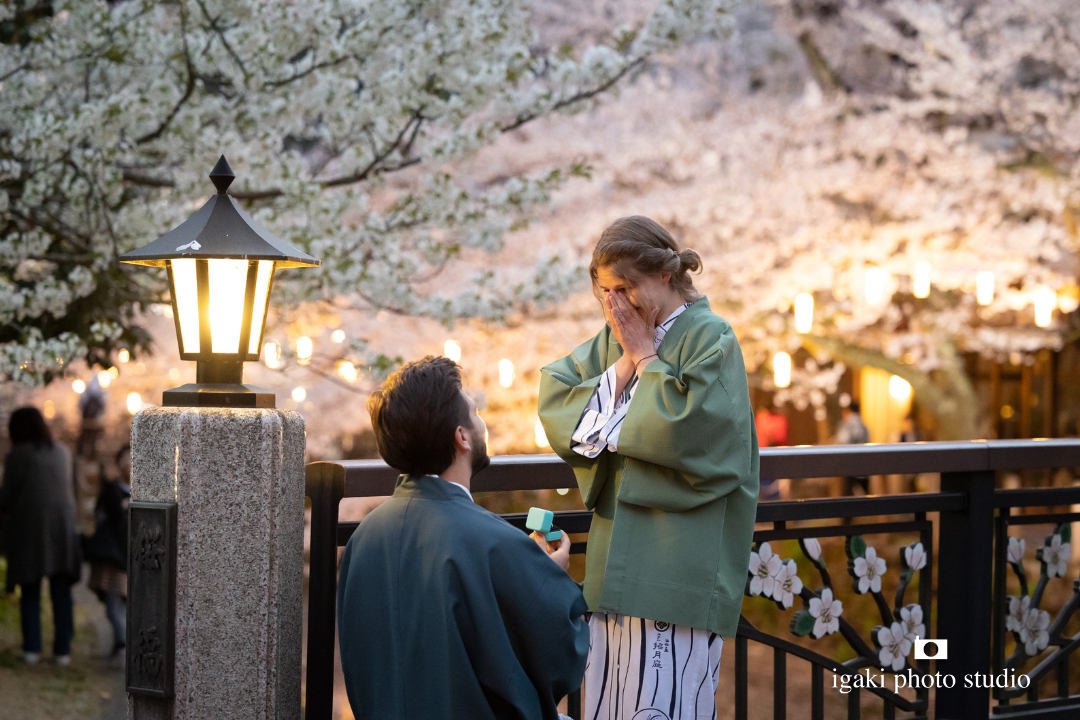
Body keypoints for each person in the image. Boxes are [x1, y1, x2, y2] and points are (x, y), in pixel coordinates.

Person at [538, 216, 759, 720]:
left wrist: (642, 358)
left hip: (679, 564)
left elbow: (694, 433)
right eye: (607, 291)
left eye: (627, 287)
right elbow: (557, 399)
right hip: (613, 562)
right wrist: (624, 362)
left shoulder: (712, 337)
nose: (616, 304)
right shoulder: (616, 334)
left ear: (665, 273)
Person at [338, 356, 589, 720]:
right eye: (475, 413)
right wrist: (549, 574)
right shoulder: (493, 541)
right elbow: (562, 658)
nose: (481, 421)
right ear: (462, 437)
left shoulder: (364, 537)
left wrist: (526, 565)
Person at [0, 407, 80, 666]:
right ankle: (62, 651)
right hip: (63, 530)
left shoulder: (18, 455)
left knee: (30, 590)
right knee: (61, 592)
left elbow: (6, 499)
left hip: (30, 530)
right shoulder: (62, 451)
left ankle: (32, 649)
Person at [84, 445, 131, 660]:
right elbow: (100, 517)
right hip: (115, 558)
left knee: (125, 605)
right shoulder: (113, 489)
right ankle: (121, 645)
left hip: (134, 559)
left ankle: (123, 645)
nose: (129, 462)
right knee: (114, 604)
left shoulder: (147, 491)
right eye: (125, 458)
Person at [836, 401, 870, 495]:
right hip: (864, 463)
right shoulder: (864, 425)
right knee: (864, 492)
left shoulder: (846, 424)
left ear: (849, 410)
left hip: (849, 462)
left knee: (849, 492)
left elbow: (842, 442)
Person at [755, 405, 789, 501]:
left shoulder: (778, 420)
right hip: (764, 459)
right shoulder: (762, 419)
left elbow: (781, 439)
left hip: (772, 460)